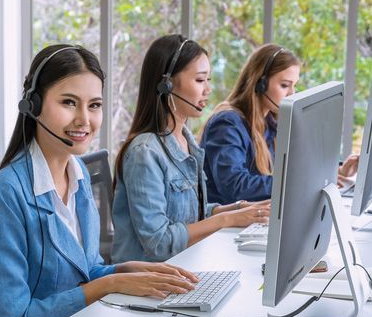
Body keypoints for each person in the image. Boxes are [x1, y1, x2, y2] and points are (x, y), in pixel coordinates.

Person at [0, 45, 198, 317]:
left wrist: (124, 269)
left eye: (94, 105)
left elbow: (84, 270)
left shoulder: (78, 175)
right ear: (33, 105)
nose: (84, 119)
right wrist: (110, 284)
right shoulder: (5, 195)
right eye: (69, 102)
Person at [111, 34, 270, 263]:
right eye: (199, 80)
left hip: (186, 266)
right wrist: (227, 220)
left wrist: (245, 209)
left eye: (208, 80)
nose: (208, 90)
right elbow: (159, 243)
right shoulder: (144, 153)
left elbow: (192, 214)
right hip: (149, 281)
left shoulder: (186, 140)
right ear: (166, 85)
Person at [200, 44, 359, 205]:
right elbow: (235, 187)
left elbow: (296, 167)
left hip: (253, 216)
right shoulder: (227, 124)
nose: (292, 93)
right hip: (225, 227)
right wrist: (298, 183)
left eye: (294, 85)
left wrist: (332, 173)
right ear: (260, 84)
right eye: (284, 85)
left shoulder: (270, 122)